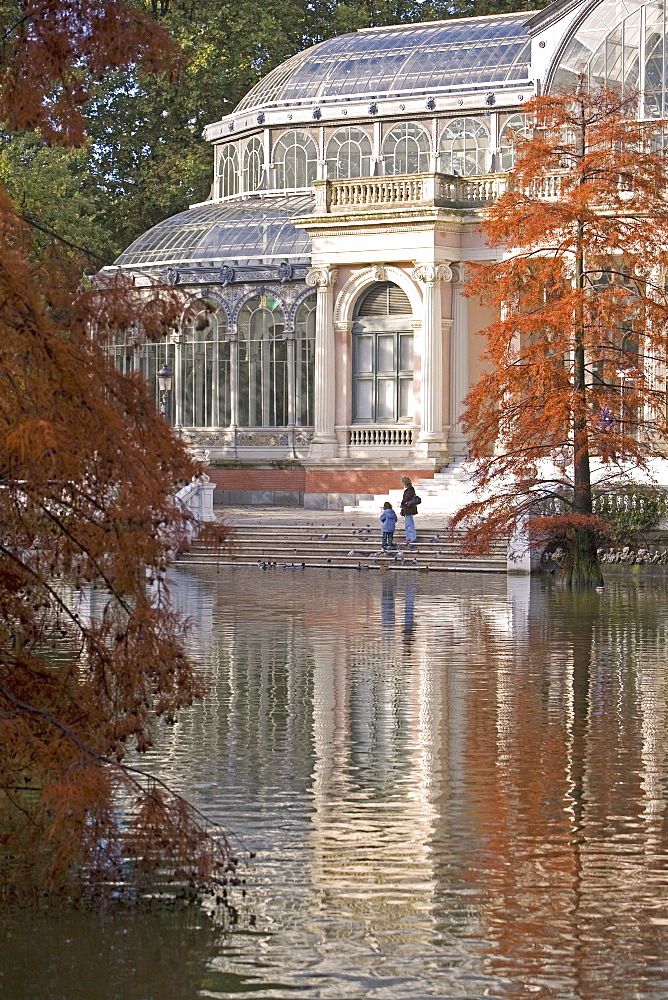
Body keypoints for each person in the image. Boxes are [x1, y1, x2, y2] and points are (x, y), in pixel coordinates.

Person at [400, 476, 418, 544]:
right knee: (407, 524)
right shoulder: (409, 490)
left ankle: (412, 538)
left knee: (409, 524)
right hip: (407, 509)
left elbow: (407, 499)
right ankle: (408, 537)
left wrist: (402, 503)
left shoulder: (410, 490)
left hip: (409, 509)